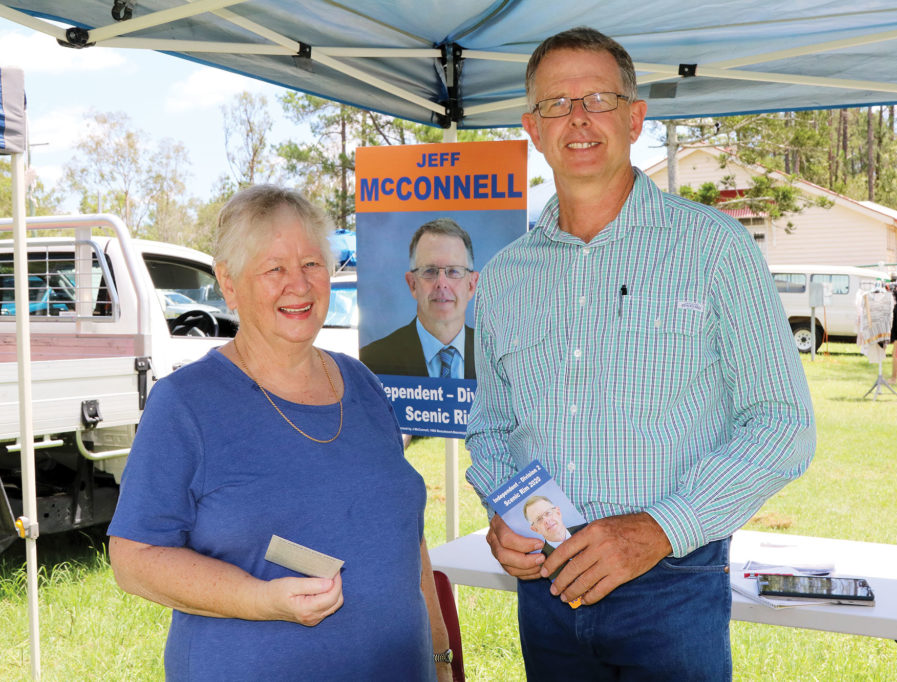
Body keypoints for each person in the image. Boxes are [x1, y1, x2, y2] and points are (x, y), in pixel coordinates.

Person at [465, 27, 815, 680]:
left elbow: (783, 423)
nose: (577, 117)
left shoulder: (714, 249)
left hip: (672, 582)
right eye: (555, 104)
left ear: (634, 117)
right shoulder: (506, 275)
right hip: (547, 580)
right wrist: (503, 508)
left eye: (597, 98)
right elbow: (491, 425)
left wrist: (657, 529)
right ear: (532, 129)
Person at [107, 185, 452, 681]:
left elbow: (406, 538)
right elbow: (133, 559)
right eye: (274, 269)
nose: (299, 285)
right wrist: (259, 598)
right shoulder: (187, 403)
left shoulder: (362, 383)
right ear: (228, 283)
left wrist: (440, 658)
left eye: (312, 264)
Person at [361, 218, 479, 379]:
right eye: (430, 271)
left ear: (471, 285)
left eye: (453, 271)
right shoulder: (372, 360)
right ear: (412, 284)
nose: (441, 284)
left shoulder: (495, 358)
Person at [522, 495, 586, 557]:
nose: (546, 520)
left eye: (548, 513)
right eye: (539, 519)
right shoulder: (542, 562)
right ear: (535, 529)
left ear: (558, 512)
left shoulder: (586, 528)